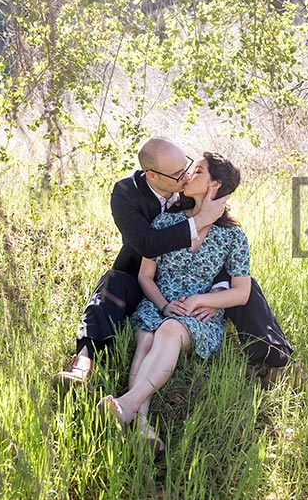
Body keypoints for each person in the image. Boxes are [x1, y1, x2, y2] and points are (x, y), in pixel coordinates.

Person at [52, 138, 292, 388]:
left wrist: (214, 294)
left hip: (197, 284)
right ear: (153, 176)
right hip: (143, 277)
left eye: (188, 167)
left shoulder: (189, 188)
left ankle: (279, 365)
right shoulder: (126, 194)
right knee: (111, 282)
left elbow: (220, 246)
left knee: (246, 287)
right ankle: (84, 362)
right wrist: (199, 220)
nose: (186, 176)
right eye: (179, 174)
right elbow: (146, 243)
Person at [98, 152, 250, 452]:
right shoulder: (167, 220)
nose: (187, 177)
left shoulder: (232, 236)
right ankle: (143, 427)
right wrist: (164, 305)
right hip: (159, 303)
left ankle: (126, 406)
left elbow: (242, 292)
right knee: (145, 341)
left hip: (198, 315)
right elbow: (145, 277)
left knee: (169, 331)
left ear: (214, 185)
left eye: (198, 172)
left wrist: (201, 300)